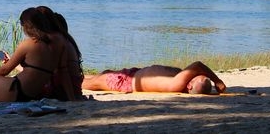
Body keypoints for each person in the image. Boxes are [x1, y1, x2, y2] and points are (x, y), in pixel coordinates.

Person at [82, 61, 227, 94]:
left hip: (125, 82)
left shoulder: (177, 84)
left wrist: (217, 81)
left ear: (189, 86)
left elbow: (197, 66)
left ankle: (60, 80)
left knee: (84, 83)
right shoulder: (181, 81)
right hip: (132, 75)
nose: (195, 74)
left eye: (196, 77)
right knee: (97, 76)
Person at [36, 6, 85, 101]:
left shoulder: (56, 41)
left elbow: (62, 71)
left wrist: (71, 98)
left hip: (63, 91)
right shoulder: (67, 39)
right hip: (73, 89)